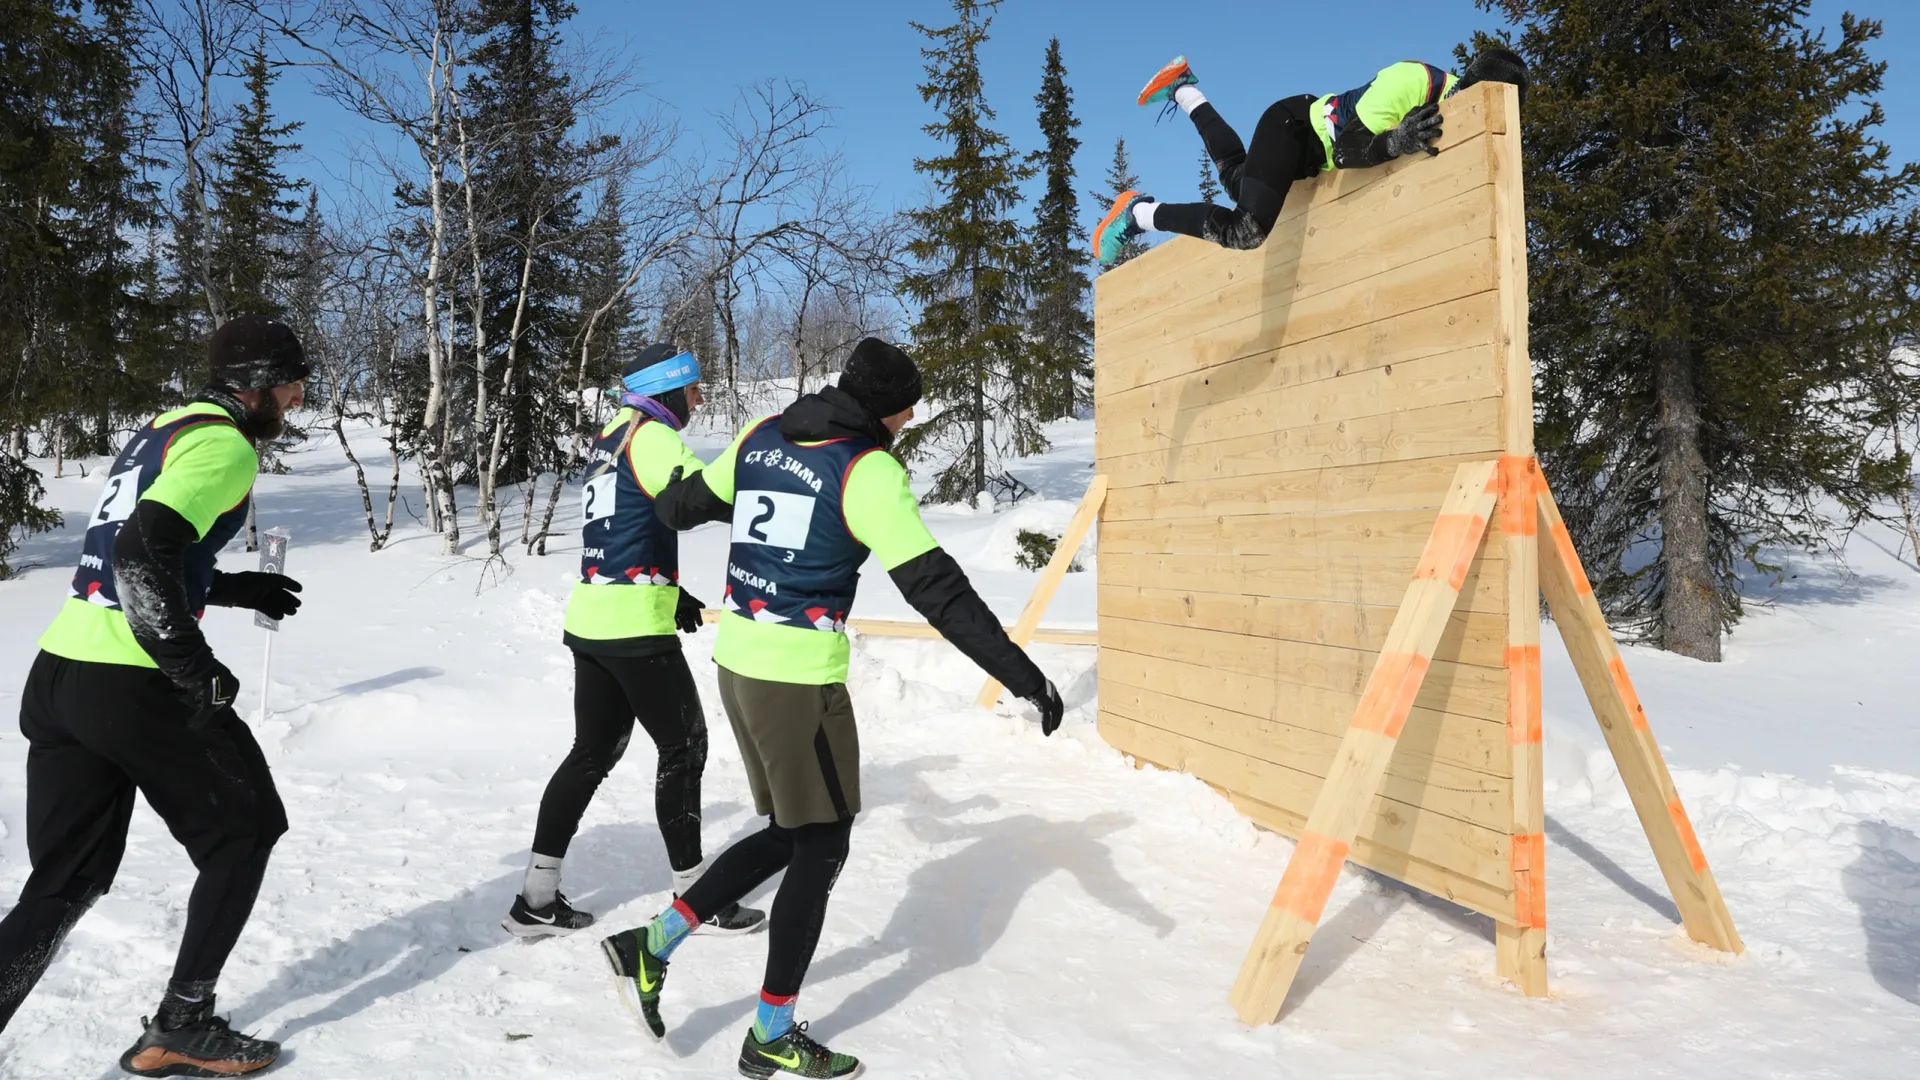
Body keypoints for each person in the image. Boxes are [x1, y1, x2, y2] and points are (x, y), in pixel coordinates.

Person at [597, 338, 1065, 1078]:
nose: (911, 419)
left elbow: (681, 507)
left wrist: (658, 469)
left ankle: (649, 946)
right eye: (909, 406)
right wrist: (1024, 675)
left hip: (739, 665)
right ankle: (768, 1034)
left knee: (792, 832)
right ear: (887, 407)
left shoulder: (761, 434)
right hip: (796, 681)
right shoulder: (869, 470)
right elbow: (937, 590)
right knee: (822, 843)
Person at [0, 314, 309, 1077]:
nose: (298, 401)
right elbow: (140, 552)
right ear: (260, 385)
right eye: (294, 385)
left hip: (63, 671)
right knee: (245, 828)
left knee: (66, 880)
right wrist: (188, 663)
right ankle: (183, 1023)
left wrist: (228, 586)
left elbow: (125, 545)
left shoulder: (165, 426)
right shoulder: (226, 444)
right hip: (131, 680)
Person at [501, 343, 765, 939]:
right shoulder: (655, 437)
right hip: (633, 630)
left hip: (593, 617)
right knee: (684, 746)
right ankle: (698, 898)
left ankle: (535, 899)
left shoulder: (613, 435)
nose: (700, 398)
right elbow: (687, 507)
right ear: (669, 389)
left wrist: (674, 592)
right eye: (694, 388)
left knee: (590, 752)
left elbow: (628, 526)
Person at [1093, 49, 1531, 266]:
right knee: (1247, 231)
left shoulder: (1457, 118)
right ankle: (1139, 213)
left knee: (1233, 177)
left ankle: (1183, 88)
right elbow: (1344, 149)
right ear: (1472, 88)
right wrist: (1394, 143)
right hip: (1294, 127)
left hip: (1306, 154)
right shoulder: (1413, 81)